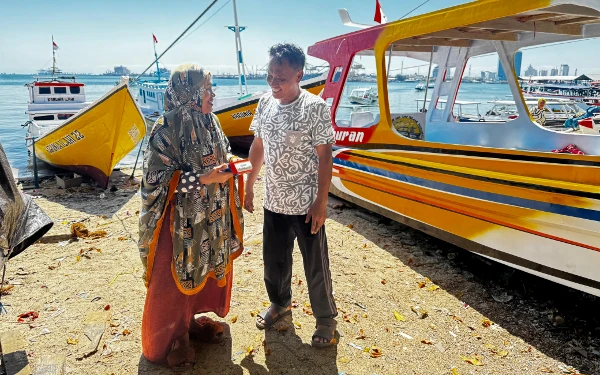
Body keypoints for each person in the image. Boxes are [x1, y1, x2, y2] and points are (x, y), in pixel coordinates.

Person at [138, 64, 244, 371]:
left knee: (203, 268)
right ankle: (175, 338)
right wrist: (201, 179)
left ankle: (191, 322)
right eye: (207, 89)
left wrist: (232, 167)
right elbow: (154, 180)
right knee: (173, 277)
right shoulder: (166, 126)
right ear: (189, 92)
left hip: (210, 218)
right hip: (178, 224)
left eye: (211, 89)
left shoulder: (211, 120)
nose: (212, 94)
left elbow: (220, 155)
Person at [244, 43, 338, 348]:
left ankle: (325, 319)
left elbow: (326, 156)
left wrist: (321, 201)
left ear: (299, 74)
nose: (274, 82)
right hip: (274, 201)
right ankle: (279, 304)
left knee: (315, 266)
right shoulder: (264, 103)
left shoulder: (315, 107)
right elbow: (258, 146)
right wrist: (249, 184)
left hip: (307, 204)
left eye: (281, 77)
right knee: (274, 262)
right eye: (270, 75)